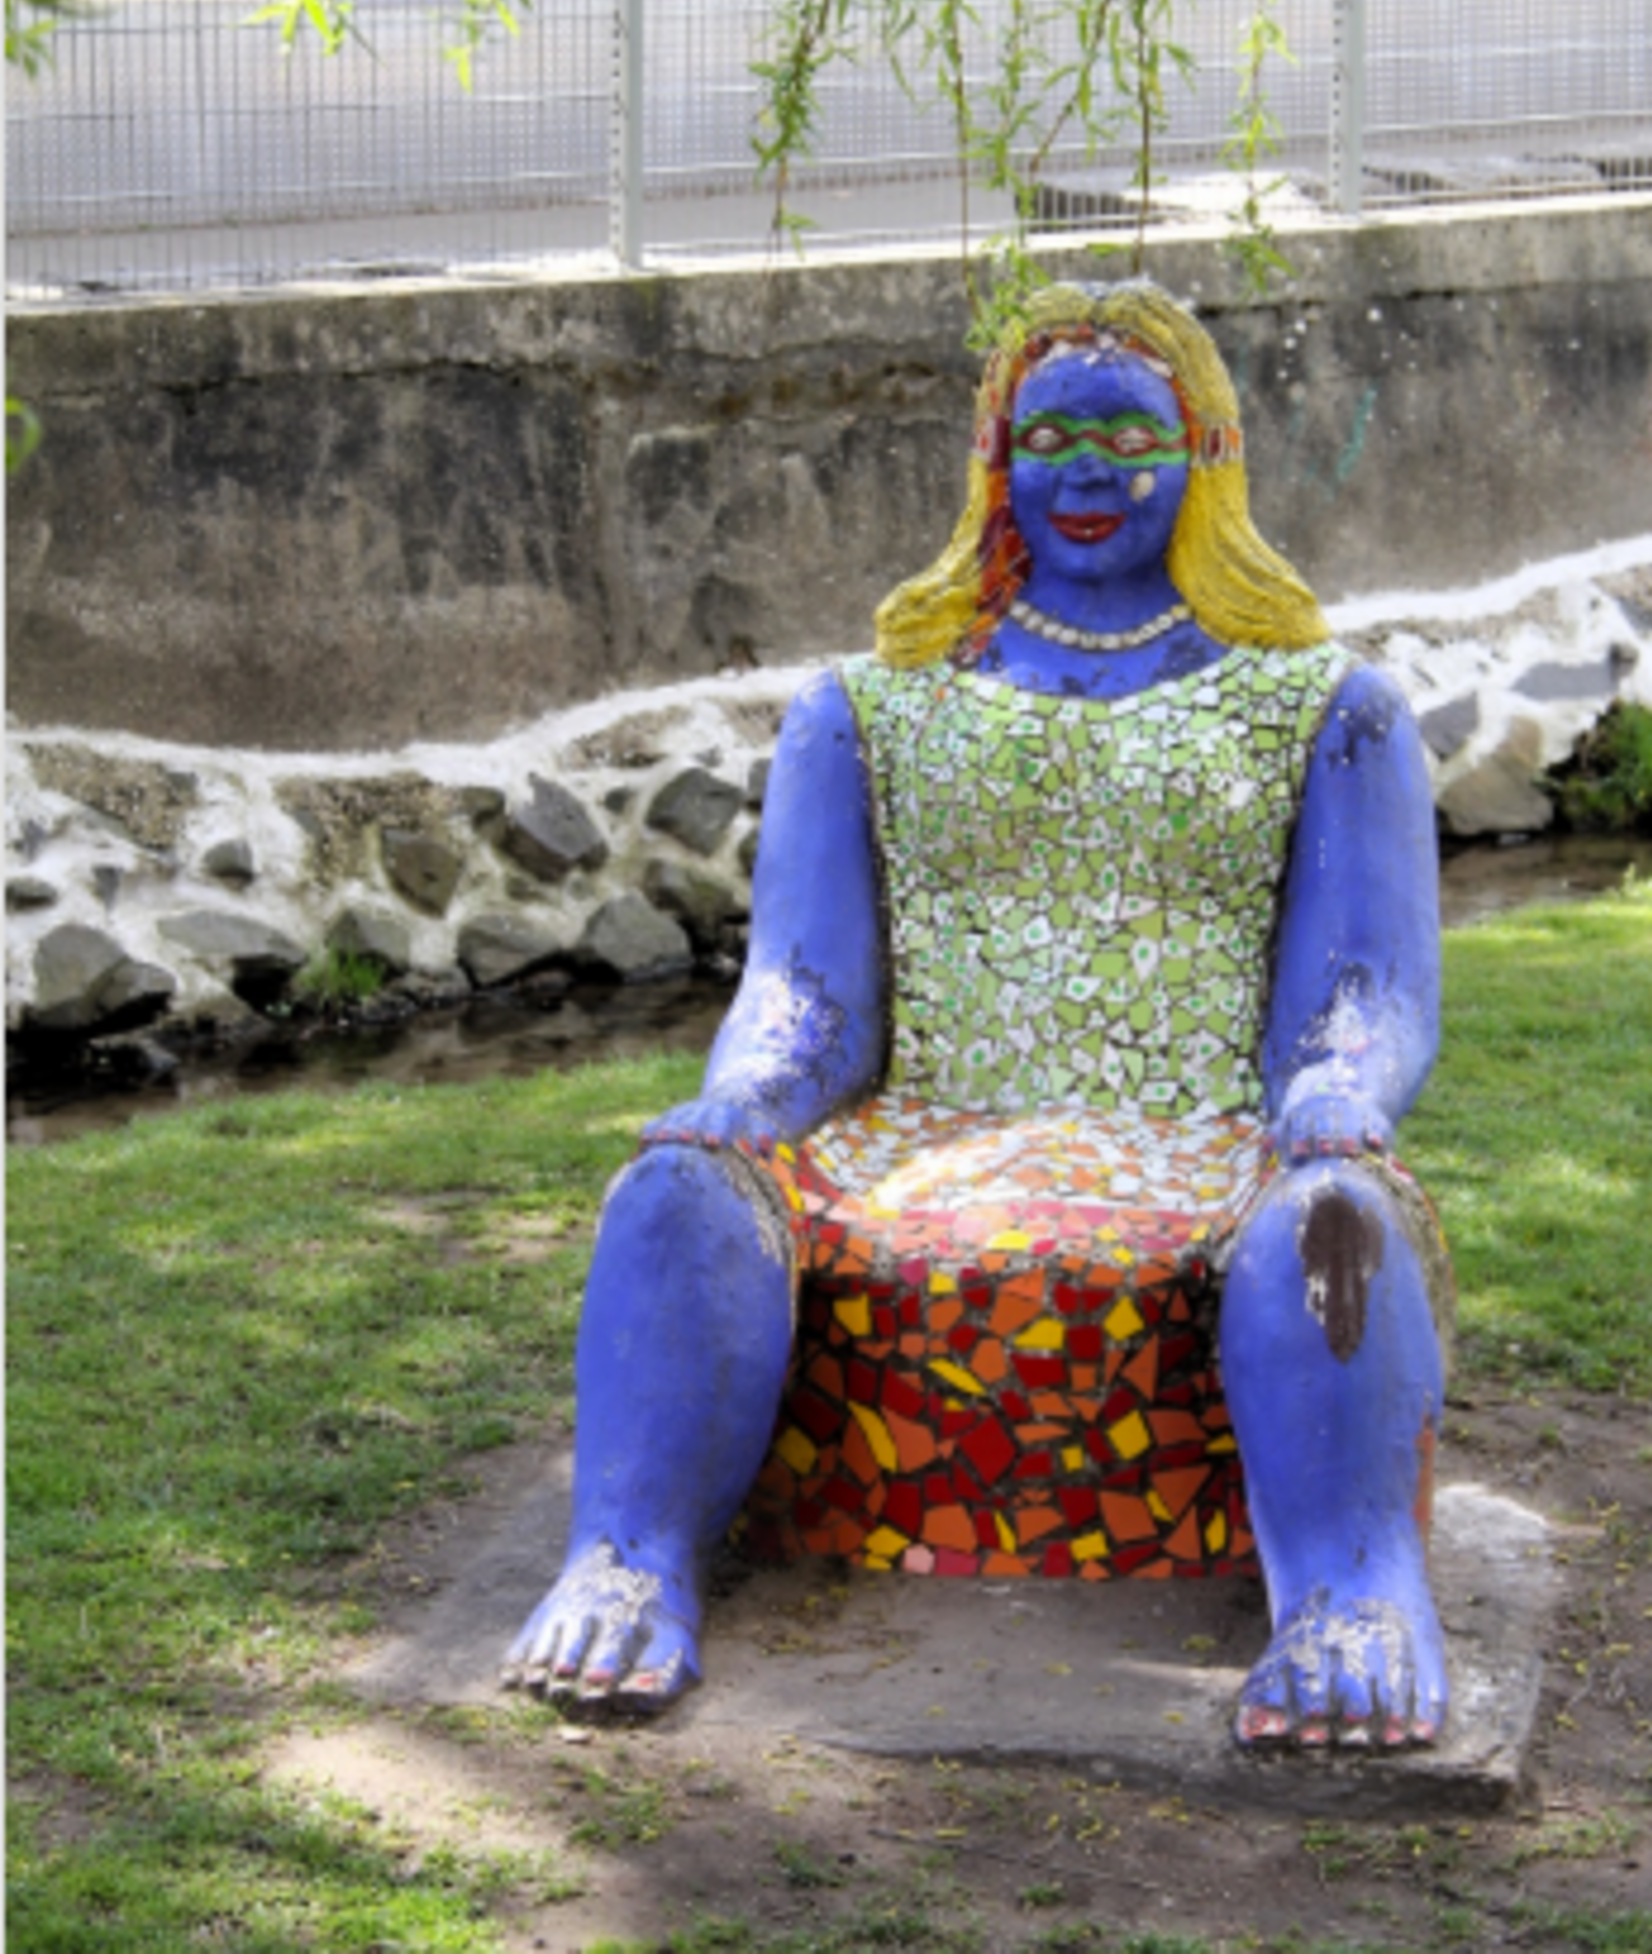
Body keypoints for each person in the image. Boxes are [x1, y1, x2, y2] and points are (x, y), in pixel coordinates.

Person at [504, 279, 1449, 1750]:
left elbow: (1364, 988)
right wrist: (749, 1097)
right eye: (1048, 436)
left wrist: (1336, 1093)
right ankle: (630, 1555)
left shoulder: (1331, 709)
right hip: (921, 1128)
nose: (1085, 470)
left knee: (1334, 1223)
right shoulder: (865, 709)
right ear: (993, 459)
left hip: (1207, 1130)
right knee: (680, 1190)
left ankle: (1351, 1589)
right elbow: (804, 987)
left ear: (1205, 453)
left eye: (1127, 438)